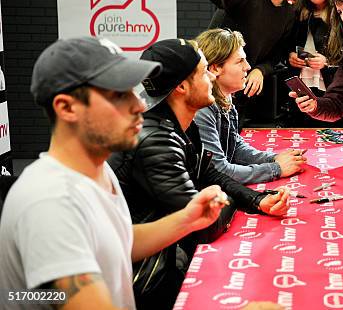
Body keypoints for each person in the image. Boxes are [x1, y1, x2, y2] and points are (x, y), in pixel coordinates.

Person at [0, 37, 226, 309]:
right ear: (67, 107)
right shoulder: (50, 202)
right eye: (118, 95)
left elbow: (115, 242)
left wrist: (188, 220)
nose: (139, 105)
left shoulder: (98, 171)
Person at [108, 38, 291, 308]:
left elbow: (211, 174)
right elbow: (204, 224)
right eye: (204, 71)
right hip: (145, 281)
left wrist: (257, 201)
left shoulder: (180, 122)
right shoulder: (156, 141)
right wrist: (227, 200)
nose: (211, 77)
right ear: (181, 86)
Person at [194, 29, 306, 184]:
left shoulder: (225, 99)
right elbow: (218, 171)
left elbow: (235, 147)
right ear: (215, 68)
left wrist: (274, 158)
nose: (248, 67)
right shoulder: (202, 110)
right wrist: (277, 168)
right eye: (240, 61)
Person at [201, 0, 306, 99]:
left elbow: (277, 55)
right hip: (210, 79)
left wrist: (261, 70)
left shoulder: (288, 13)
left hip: (241, 89)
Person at [286, 0, 342, 126]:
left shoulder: (340, 14)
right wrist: (289, 57)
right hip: (300, 85)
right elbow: (283, 44)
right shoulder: (297, 11)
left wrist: (327, 61)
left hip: (330, 88)